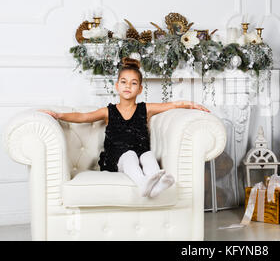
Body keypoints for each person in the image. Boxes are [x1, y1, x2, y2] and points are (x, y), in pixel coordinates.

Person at [39, 57, 210, 198]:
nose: (128, 86)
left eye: (133, 83)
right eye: (124, 82)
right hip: (116, 159)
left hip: (141, 153)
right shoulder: (108, 111)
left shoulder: (145, 109)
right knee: (129, 155)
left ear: (140, 88)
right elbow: (83, 117)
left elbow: (172, 104)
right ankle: (143, 183)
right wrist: (59, 115)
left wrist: (191, 105)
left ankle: (156, 184)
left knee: (149, 156)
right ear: (117, 86)